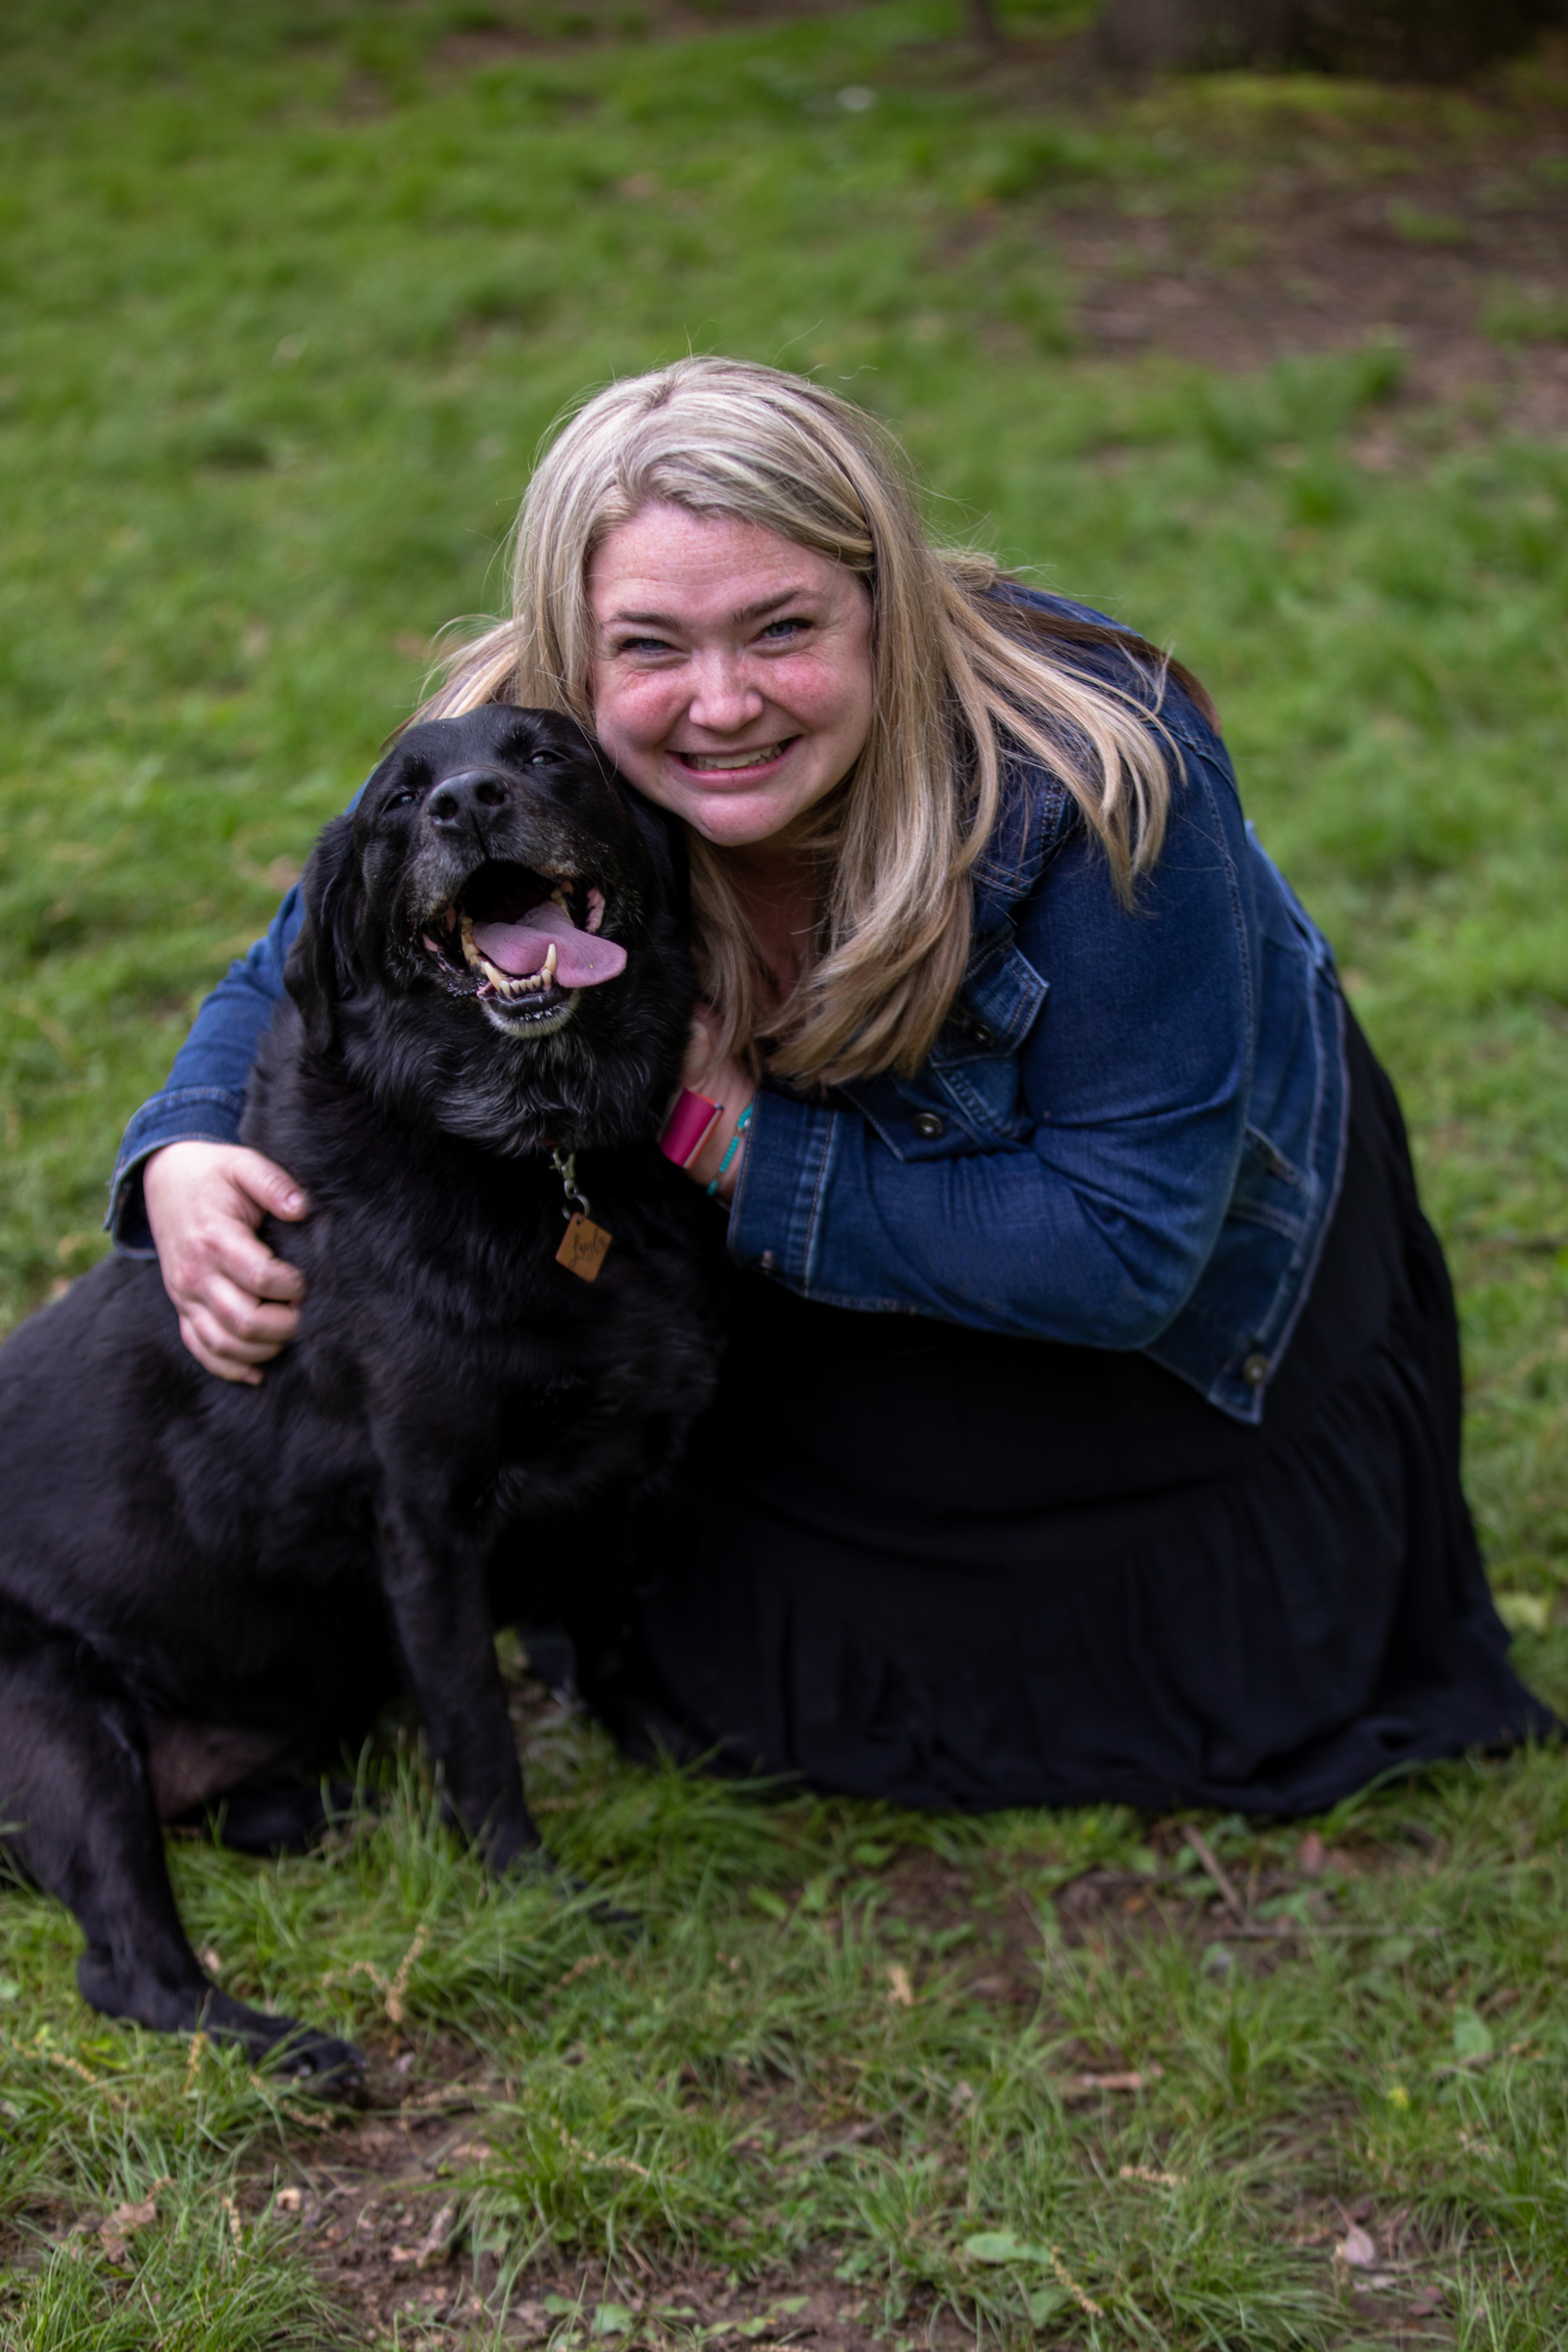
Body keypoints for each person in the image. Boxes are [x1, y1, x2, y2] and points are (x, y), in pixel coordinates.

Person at [109, 357, 1551, 1815]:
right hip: (840, 1230)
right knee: (699, 1610)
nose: (720, 704)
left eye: (782, 628)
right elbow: (303, 954)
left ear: (886, 605)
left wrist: (721, 1136)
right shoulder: (534, 747)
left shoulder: (1101, 778)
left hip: (1163, 1300)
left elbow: (1128, 1252)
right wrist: (178, 1150)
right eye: (652, 646)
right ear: (574, 650)